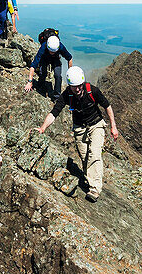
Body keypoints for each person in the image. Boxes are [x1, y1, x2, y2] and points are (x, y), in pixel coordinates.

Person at [33, 66, 119, 202]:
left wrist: (113, 126)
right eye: (74, 87)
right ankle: (90, 180)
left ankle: (94, 190)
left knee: (94, 154)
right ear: (69, 85)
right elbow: (54, 112)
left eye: (79, 86)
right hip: (79, 128)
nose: (77, 89)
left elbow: (107, 106)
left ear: (83, 82)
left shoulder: (93, 90)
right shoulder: (67, 94)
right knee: (85, 157)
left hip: (96, 124)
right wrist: (43, 128)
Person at [25, 32, 73, 100]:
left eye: (54, 52)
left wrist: (70, 74)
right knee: (43, 73)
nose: (52, 53)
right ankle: (41, 86)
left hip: (56, 59)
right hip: (44, 59)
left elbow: (69, 58)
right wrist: (30, 82)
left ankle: (57, 97)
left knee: (58, 76)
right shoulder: (43, 47)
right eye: (51, 51)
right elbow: (33, 65)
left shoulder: (60, 47)